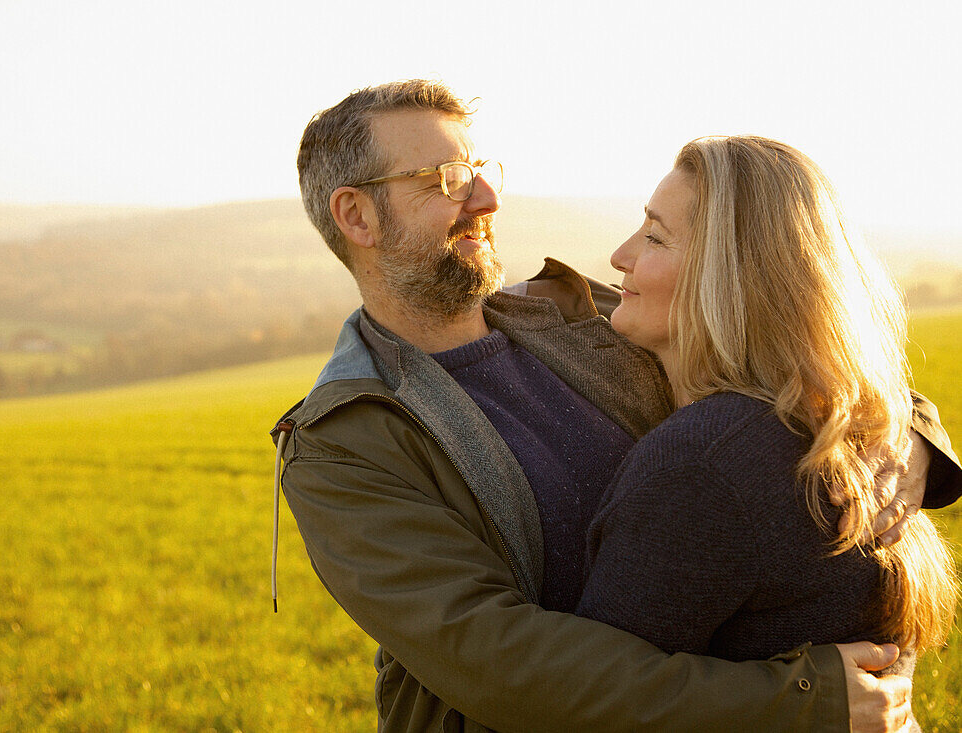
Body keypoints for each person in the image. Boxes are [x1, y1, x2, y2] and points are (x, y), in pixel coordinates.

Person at [272, 80, 962, 732]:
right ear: (356, 214)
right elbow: (505, 665)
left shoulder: (589, 313)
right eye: (446, 180)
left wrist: (912, 436)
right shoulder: (344, 441)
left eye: (481, 169)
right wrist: (795, 701)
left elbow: (786, 344)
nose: (485, 197)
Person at [576, 137, 958, 733]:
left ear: (724, 277)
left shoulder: (703, 464)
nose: (620, 255)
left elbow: (597, 704)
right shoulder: (844, 421)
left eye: (654, 236)